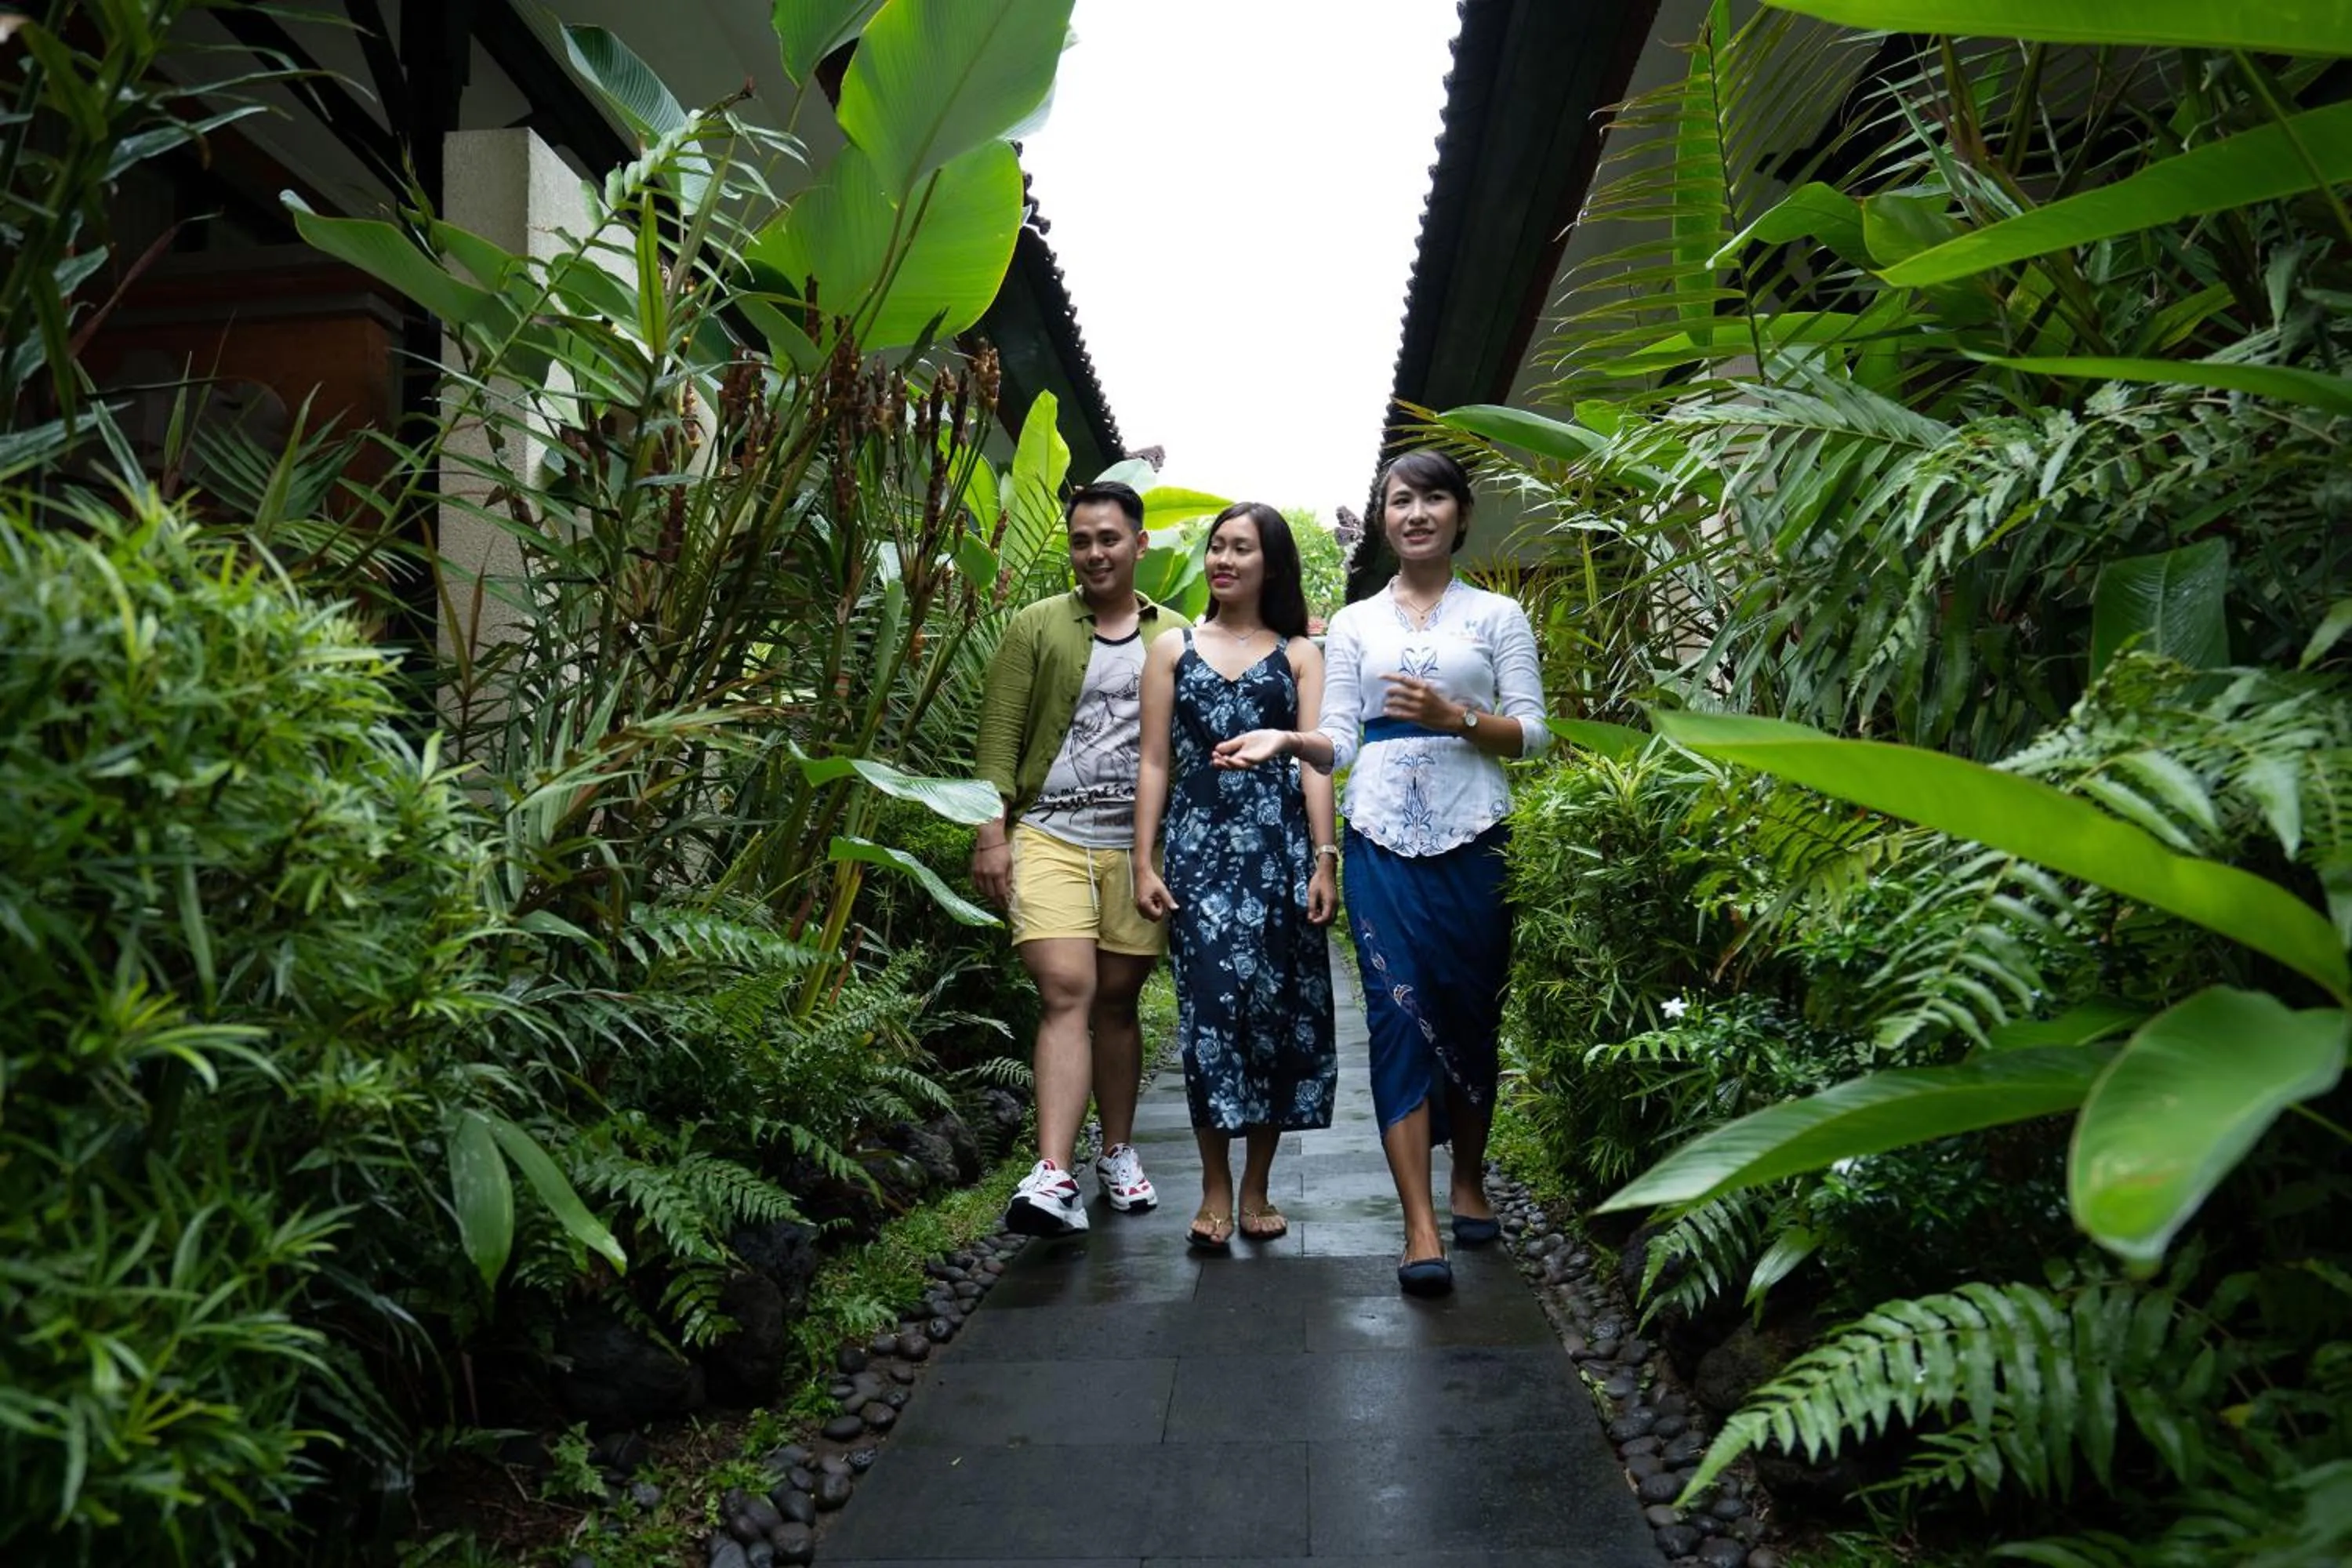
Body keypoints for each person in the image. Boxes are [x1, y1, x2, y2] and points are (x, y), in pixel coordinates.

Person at [1262, 449, 1550, 1296]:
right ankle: (1419, 1224)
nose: (1415, 512)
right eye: (1399, 500)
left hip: (1477, 831)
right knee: (1396, 1015)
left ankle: (1468, 1180)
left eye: (1432, 498)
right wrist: (1291, 739)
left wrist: (1459, 716)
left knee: (1470, 1012)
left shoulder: (1500, 615)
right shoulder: (1352, 623)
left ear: (1460, 514)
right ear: (1383, 517)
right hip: (1380, 837)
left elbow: (1535, 734)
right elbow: (1341, 738)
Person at [971, 480, 1190, 1236]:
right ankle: (1053, 1173)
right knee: (1068, 987)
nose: (1094, 553)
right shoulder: (1036, 626)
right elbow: (999, 740)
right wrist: (990, 834)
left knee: (1118, 1004)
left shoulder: (1178, 635)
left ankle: (1118, 1152)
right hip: (1050, 834)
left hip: (1138, 849)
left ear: (1139, 544)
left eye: (1108, 539)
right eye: (1081, 540)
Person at [1131, 503, 1338, 1251]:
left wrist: (1325, 859)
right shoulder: (1172, 647)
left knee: (1275, 1017)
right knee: (1210, 1018)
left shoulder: (1300, 655)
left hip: (1280, 850)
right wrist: (1143, 858)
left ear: (1272, 565)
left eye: (1240, 549)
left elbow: (1318, 763)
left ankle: (1257, 1186)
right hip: (1199, 848)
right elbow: (1155, 759)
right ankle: (1215, 1188)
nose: (1222, 559)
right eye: (1216, 546)